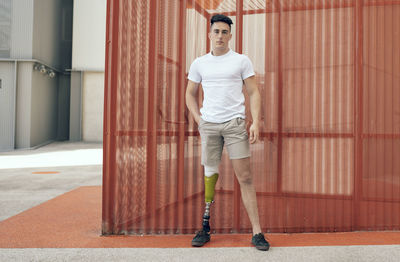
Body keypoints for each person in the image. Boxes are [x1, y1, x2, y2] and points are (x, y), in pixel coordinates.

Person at [185, 14, 270, 251]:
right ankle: (204, 227)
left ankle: (257, 232)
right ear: (209, 34)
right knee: (210, 176)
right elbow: (189, 93)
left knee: (245, 177)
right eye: (216, 32)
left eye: (224, 32)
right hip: (210, 126)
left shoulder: (241, 61)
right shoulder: (199, 63)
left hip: (234, 124)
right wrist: (199, 120)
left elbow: (253, 92)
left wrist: (255, 122)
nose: (220, 36)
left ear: (230, 36)